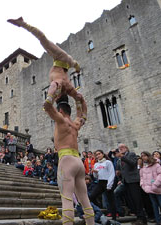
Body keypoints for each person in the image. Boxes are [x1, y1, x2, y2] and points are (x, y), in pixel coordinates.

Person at [7, 17, 87, 122]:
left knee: (43, 39)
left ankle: (22, 23)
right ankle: (22, 23)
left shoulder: (64, 85)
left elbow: (60, 87)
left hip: (64, 63)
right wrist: (81, 116)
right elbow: (79, 98)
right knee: (43, 39)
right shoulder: (66, 86)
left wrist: (50, 100)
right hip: (63, 61)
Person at [43, 95, 94, 225]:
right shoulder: (75, 124)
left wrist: (53, 92)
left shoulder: (60, 120)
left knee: (66, 199)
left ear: (60, 111)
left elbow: (47, 106)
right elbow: (83, 115)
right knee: (85, 199)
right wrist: (80, 100)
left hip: (66, 160)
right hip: (78, 160)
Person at [117, 143, 147, 225]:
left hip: (133, 180)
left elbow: (133, 163)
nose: (121, 149)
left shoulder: (131, 154)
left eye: (122, 147)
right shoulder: (120, 158)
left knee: (137, 199)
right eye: (119, 148)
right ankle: (137, 216)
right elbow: (122, 169)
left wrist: (122, 157)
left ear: (126, 148)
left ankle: (142, 218)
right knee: (131, 200)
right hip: (126, 181)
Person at [89, 150, 117, 221]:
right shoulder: (96, 164)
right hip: (100, 182)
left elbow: (111, 173)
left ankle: (114, 217)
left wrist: (109, 185)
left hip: (108, 181)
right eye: (96, 155)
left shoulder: (108, 162)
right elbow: (96, 176)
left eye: (99, 154)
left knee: (111, 200)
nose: (98, 156)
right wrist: (94, 172)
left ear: (103, 154)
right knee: (92, 196)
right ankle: (99, 211)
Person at [139, 151, 161, 225]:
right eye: (142, 156)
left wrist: (155, 185)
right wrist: (143, 186)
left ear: (148, 156)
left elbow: (160, 174)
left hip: (158, 188)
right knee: (154, 206)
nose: (143, 157)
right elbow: (141, 178)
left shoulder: (156, 165)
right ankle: (158, 221)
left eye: (145, 155)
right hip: (149, 190)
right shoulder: (143, 167)